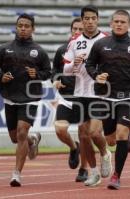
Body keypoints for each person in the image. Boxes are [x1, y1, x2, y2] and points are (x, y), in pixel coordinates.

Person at [85, 9, 130, 190]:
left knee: (120, 134)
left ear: (129, 24)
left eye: (123, 22)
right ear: (111, 24)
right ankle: (124, 141)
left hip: (127, 96)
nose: (119, 24)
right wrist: (97, 76)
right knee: (105, 137)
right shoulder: (100, 44)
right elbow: (90, 64)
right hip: (105, 96)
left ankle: (116, 176)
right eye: (116, 21)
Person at [0, 13, 51, 187]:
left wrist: (37, 75)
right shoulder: (3, 49)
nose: (23, 28)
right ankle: (33, 140)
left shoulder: (39, 51)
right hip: (10, 97)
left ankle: (16, 174)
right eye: (20, 25)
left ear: (33, 29)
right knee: (15, 138)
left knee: (21, 132)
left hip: (30, 98)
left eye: (27, 26)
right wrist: (1, 76)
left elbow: (48, 72)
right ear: (16, 27)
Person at [63, 5, 112, 187]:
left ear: (98, 19)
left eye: (93, 18)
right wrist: (73, 64)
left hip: (100, 92)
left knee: (94, 132)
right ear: (82, 20)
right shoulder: (74, 41)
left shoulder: (107, 39)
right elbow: (65, 70)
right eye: (87, 18)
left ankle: (105, 152)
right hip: (80, 92)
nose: (90, 21)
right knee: (83, 135)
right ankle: (93, 172)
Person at [52, 17, 89, 182]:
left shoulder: (94, 50)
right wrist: (56, 80)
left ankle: (84, 169)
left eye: (80, 29)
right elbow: (54, 70)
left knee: (84, 134)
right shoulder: (62, 50)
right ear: (71, 30)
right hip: (66, 96)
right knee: (60, 130)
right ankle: (74, 148)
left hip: (85, 96)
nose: (77, 32)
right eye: (75, 29)